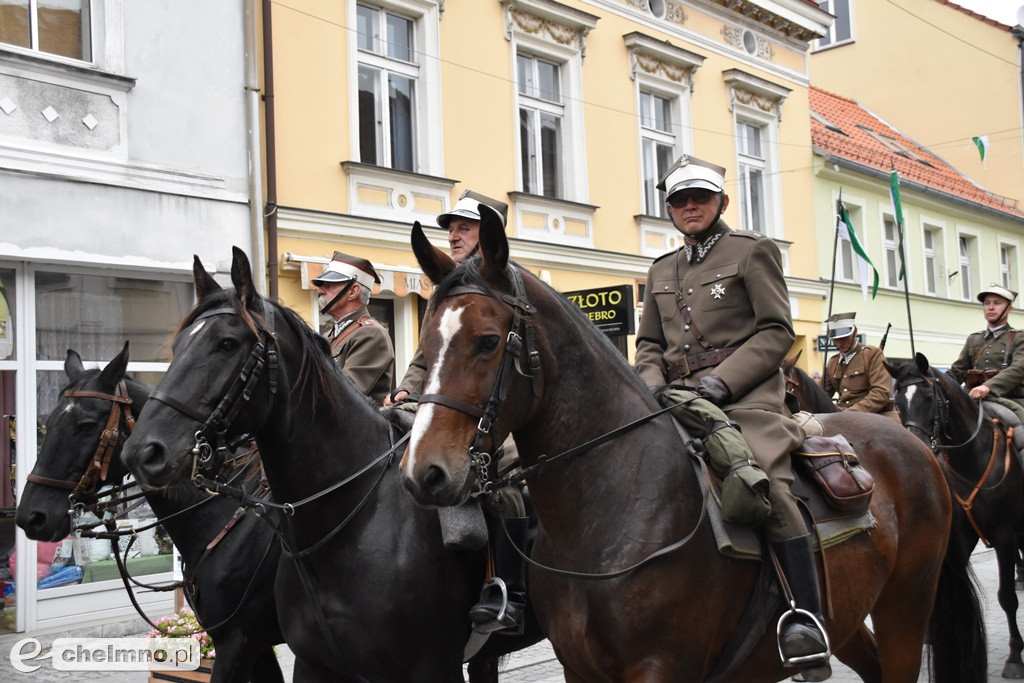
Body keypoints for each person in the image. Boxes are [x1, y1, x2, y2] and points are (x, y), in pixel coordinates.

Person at [634, 154, 831, 679]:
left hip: (744, 398)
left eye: (699, 196)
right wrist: (652, 389)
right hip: (675, 400)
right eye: (678, 199)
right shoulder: (659, 270)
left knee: (761, 480)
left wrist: (723, 382)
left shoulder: (751, 251)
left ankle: (803, 620)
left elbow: (776, 331)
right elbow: (649, 344)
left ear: (722, 200)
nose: (689, 206)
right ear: (669, 208)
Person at [385, 189, 530, 636]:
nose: (453, 235)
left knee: (503, 476)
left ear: (489, 235)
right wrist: (405, 392)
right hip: (448, 402)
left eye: (464, 227)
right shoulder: (446, 288)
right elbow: (425, 358)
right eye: (450, 228)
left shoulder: (510, 283)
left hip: (499, 407)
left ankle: (508, 591)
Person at [311, 251, 395, 406]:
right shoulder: (336, 334)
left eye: (328, 285)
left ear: (353, 292)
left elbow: (342, 394)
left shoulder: (371, 334)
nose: (320, 290)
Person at [948, 284, 1024, 417]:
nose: (990, 307)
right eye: (987, 303)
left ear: (1009, 309)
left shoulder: (1018, 337)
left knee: (1019, 432)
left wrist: (988, 387)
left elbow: (1019, 368)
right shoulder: (974, 339)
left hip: (1010, 400)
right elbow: (957, 372)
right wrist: (931, 381)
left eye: (997, 303)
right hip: (973, 400)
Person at [822, 313, 899, 421]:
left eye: (844, 338)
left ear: (855, 332)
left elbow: (880, 393)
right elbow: (822, 394)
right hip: (841, 416)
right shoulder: (833, 362)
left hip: (872, 416)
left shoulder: (872, 355)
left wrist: (849, 414)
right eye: (836, 339)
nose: (839, 343)